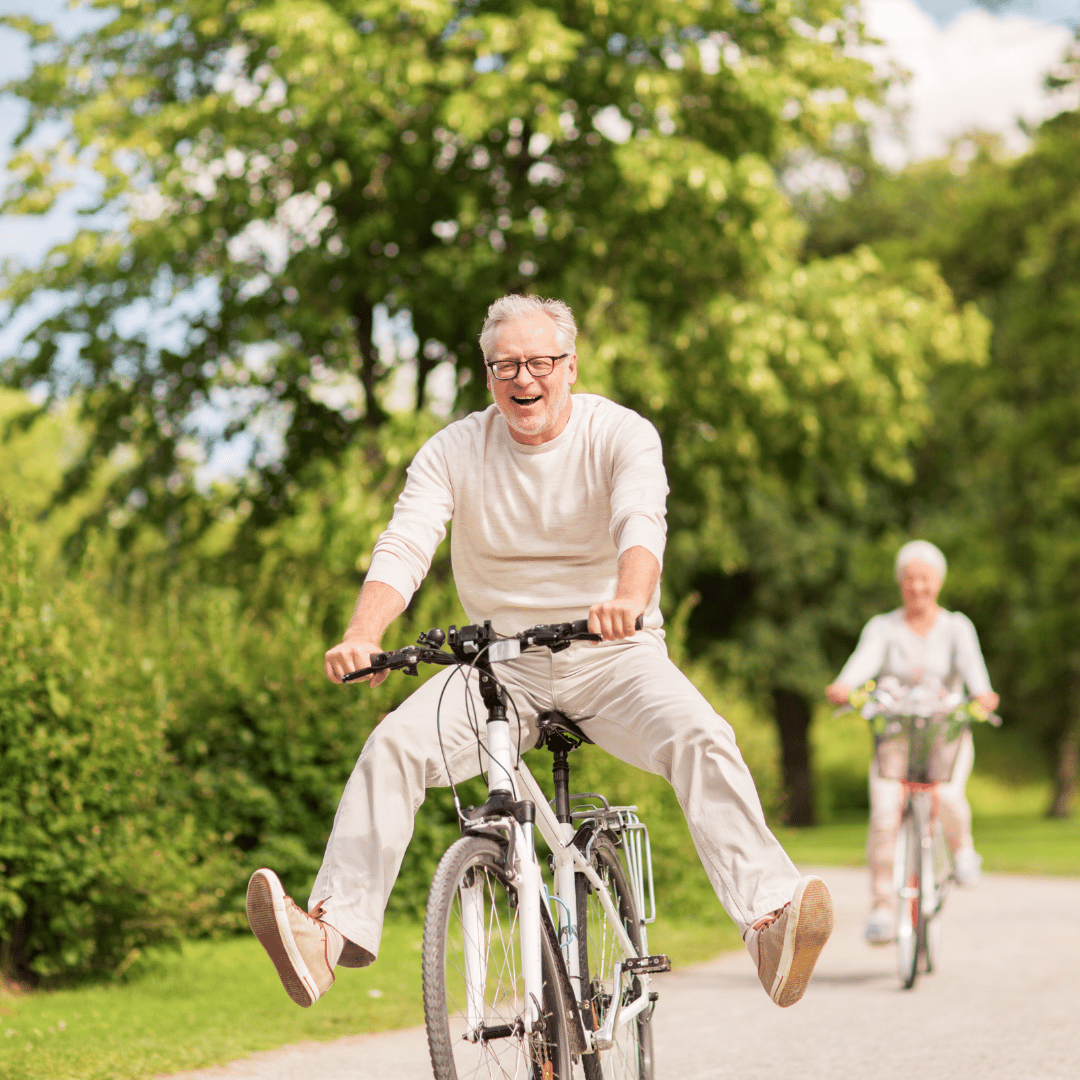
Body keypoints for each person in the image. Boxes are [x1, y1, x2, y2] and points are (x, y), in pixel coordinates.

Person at [246, 294, 834, 1012]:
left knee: (701, 735)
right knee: (393, 746)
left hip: (612, 653)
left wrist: (628, 597)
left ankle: (769, 922)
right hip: (498, 667)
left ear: (569, 366)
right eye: (506, 366)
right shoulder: (453, 449)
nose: (524, 379)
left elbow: (640, 521)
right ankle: (326, 937)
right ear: (488, 374)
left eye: (539, 362)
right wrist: (362, 634)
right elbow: (405, 544)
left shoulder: (619, 433)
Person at [825, 540, 1000, 946]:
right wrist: (844, 687)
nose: (917, 587)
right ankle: (883, 908)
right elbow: (859, 666)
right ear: (900, 583)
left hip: (945, 734)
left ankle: (962, 852)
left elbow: (978, 680)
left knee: (948, 796)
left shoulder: (957, 627)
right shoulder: (883, 628)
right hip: (896, 735)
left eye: (925, 579)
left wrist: (983, 696)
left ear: (938, 583)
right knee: (885, 814)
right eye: (909, 579)